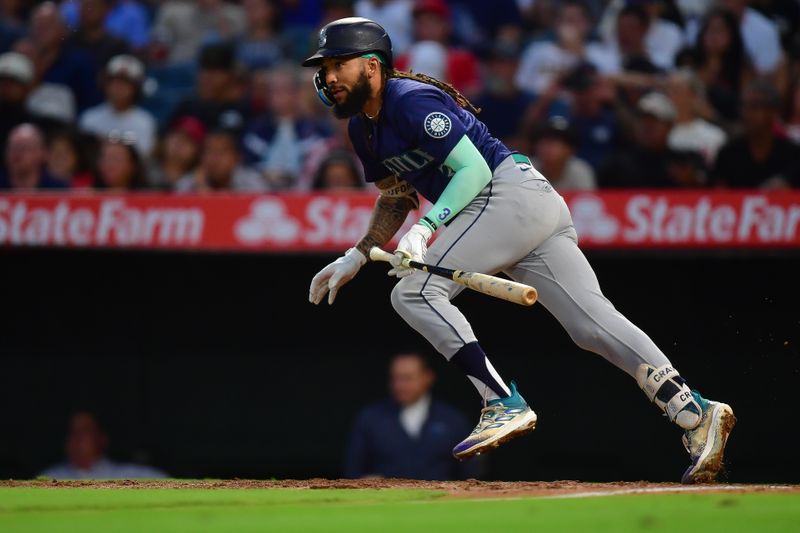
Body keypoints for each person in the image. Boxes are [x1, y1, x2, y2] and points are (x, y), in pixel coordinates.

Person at [304, 17, 735, 483]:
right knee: (589, 325)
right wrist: (359, 252)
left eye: (337, 64)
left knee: (413, 293)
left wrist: (427, 227)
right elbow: (396, 196)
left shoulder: (410, 100)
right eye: (324, 68)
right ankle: (694, 412)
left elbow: (472, 171)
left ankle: (500, 401)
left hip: (503, 194)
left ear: (372, 66)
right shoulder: (363, 131)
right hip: (524, 206)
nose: (328, 77)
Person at [344, 352, 479, 480]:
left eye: (407, 378)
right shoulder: (371, 418)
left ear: (428, 377)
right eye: (395, 378)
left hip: (438, 501)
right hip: (388, 501)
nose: (400, 385)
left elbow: (470, 472)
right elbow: (353, 470)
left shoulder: (452, 420)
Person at [713, 80, 800, 189]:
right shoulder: (727, 155)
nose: (748, 113)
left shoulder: (794, 156)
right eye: (745, 106)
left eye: (755, 106)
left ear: (773, 112)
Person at [40, 411, 167, 480]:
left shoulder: (133, 476)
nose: (77, 437)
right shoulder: (49, 478)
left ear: (102, 439)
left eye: (85, 430)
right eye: (72, 432)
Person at [79, 54, 157, 157]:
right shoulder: (89, 118)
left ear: (136, 89)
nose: (119, 88)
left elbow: (142, 158)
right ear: (106, 84)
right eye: (114, 82)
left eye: (125, 83)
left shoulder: (145, 122)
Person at [175, 129, 266, 192]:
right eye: (209, 151)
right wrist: (201, 187)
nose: (214, 158)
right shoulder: (188, 183)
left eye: (221, 152)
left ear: (237, 158)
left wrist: (208, 195)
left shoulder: (252, 182)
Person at [530, 116, 596, 191]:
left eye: (557, 141)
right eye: (545, 140)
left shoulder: (580, 172)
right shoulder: (527, 170)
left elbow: (586, 201)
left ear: (570, 150)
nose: (549, 146)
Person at [0, 123, 67, 190]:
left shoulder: (58, 188)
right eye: (12, 148)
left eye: (24, 148)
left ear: (43, 153)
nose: (17, 153)